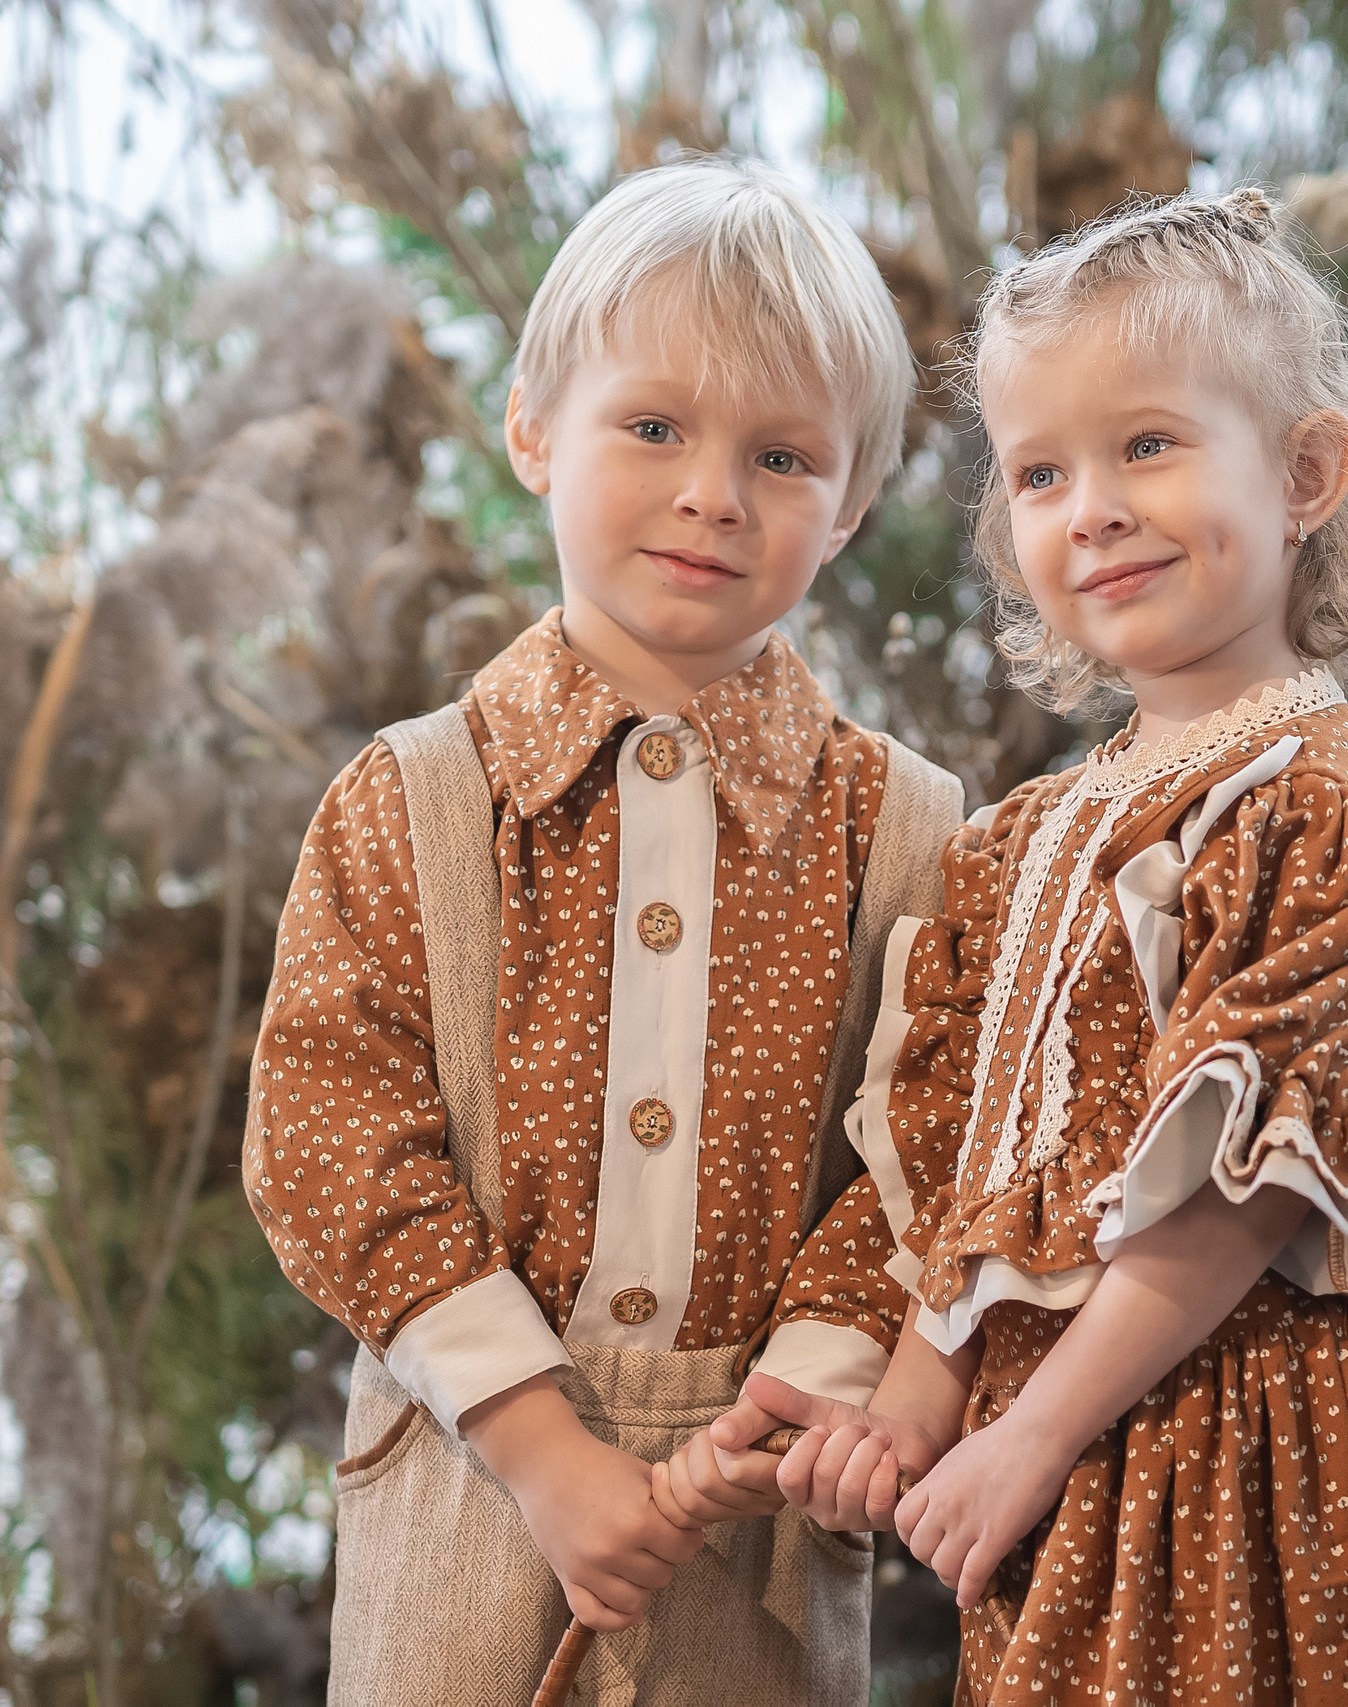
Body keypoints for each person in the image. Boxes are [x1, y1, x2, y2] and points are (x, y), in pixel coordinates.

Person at [726, 186, 1348, 1702]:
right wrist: (916, 1403)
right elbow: (976, 1177)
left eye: (1147, 444)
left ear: (1304, 476)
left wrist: (1030, 1434)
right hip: (1071, 1471)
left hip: (1248, 1447)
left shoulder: (1312, 808)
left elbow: (1244, 1191)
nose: (1090, 507)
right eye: (1040, 472)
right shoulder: (1024, 837)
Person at [240, 156, 965, 1705]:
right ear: (532, 430)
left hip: (756, 1515)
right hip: (469, 1486)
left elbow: (927, 1144)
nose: (714, 493)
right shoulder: (411, 802)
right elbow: (331, 1132)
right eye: (654, 428)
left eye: (782, 456)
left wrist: (808, 1400)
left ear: (848, 506)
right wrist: (542, 1451)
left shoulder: (907, 828)